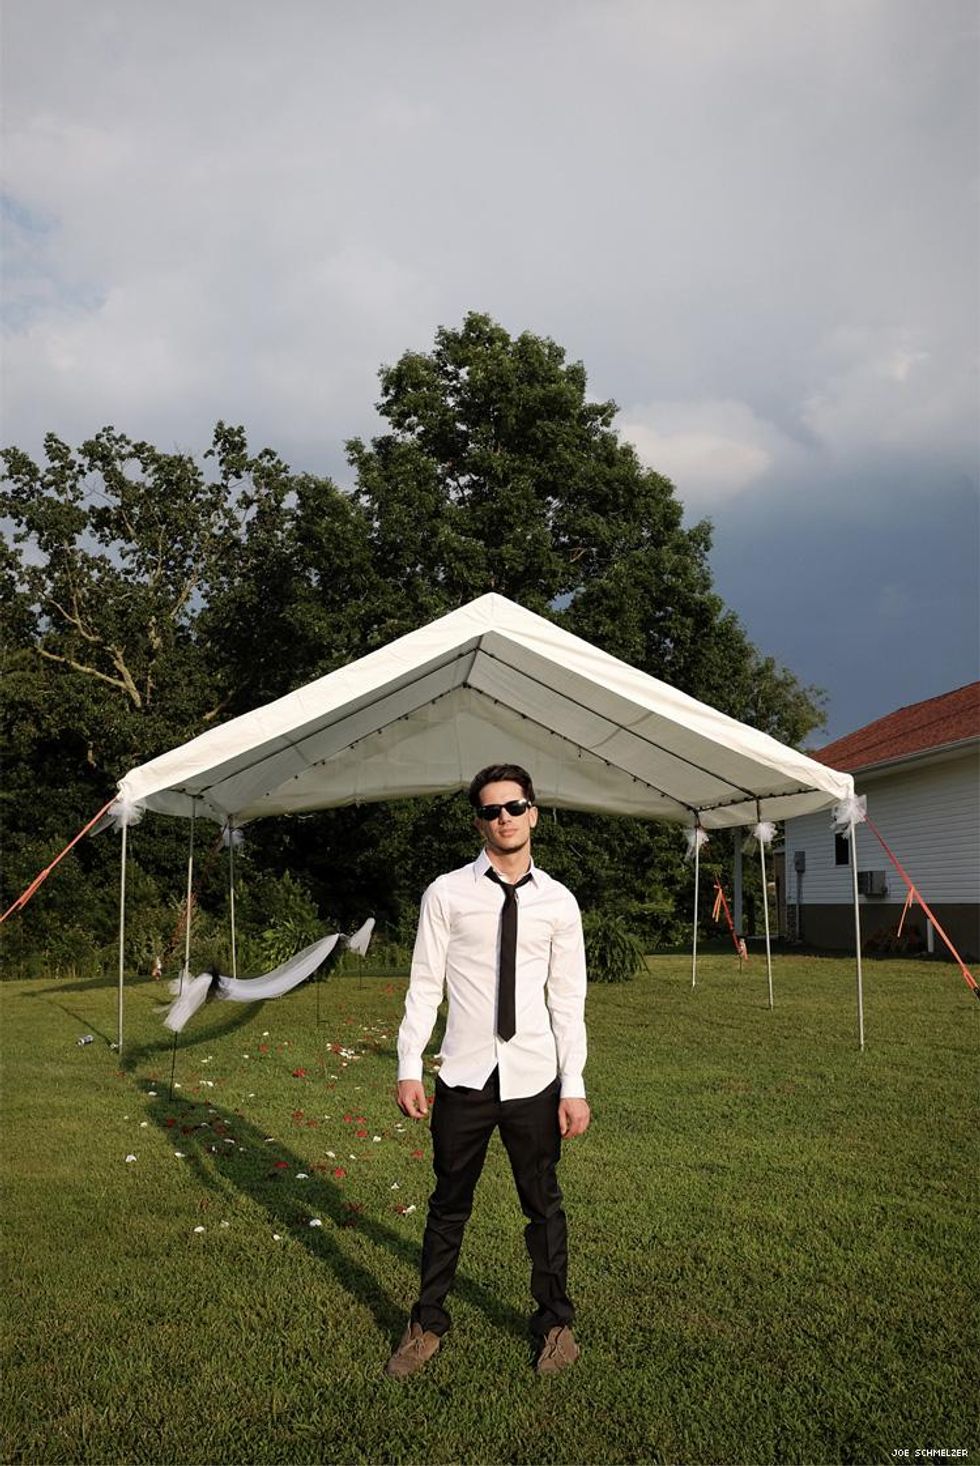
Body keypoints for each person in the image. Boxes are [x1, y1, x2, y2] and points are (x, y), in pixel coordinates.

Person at [386, 763, 590, 1379]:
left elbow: (567, 1001)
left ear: (534, 814)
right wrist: (408, 1065)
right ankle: (426, 1324)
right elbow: (425, 985)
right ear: (479, 822)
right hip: (464, 1078)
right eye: (491, 810)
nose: (504, 818)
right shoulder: (446, 893)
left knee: (543, 1207)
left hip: (534, 1078)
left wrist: (574, 1085)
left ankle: (555, 1325)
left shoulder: (559, 902)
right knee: (448, 1205)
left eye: (514, 807)